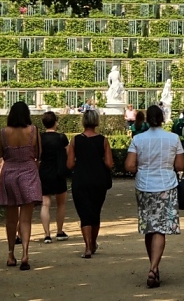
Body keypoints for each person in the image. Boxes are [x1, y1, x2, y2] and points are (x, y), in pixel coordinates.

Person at [125, 105, 184, 289]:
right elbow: (181, 165)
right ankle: (153, 268)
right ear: (162, 119)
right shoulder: (173, 138)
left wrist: (141, 170)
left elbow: (129, 165)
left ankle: (153, 266)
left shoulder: (138, 139)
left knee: (149, 226)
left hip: (144, 185)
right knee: (161, 228)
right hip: (166, 184)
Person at [0, 101, 42, 270]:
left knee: (10, 219)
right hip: (29, 173)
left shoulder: (3, 133)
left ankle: (10, 254)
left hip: (9, 174)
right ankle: (25, 253)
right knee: (26, 219)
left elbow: (0, 155)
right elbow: (38, 154)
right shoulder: (34, 131)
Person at [67, 110, 114, 258]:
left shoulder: (75, 140)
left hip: (81, 179)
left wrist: (80, 163)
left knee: (84, 213)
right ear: (96, 122)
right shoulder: (103, 140)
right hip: (98, 179)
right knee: (95, 212)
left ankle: (87, 246)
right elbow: (109, 163)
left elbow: (69, 164)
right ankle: (93, 242)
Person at [38, 111, 69, 244]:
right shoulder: (61, 138)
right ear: (55, 122)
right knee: (60, 203)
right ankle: (60, 231)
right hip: (58, 171)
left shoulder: (40, 138)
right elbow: (68, 153)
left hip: (44, 172)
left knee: (45, 204)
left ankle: (47, 234)